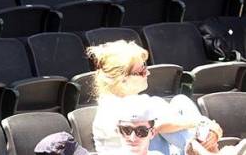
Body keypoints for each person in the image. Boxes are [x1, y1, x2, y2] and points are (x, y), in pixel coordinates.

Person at [86, 40, 222, 154]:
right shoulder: (112, 107)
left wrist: (209, 128)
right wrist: (202, 123)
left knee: (181, 102)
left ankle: (206, 148)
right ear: (123, 79)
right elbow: (159, 125)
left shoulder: (139, 101)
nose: (148, 73)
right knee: (165, 121)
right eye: (141, 71)